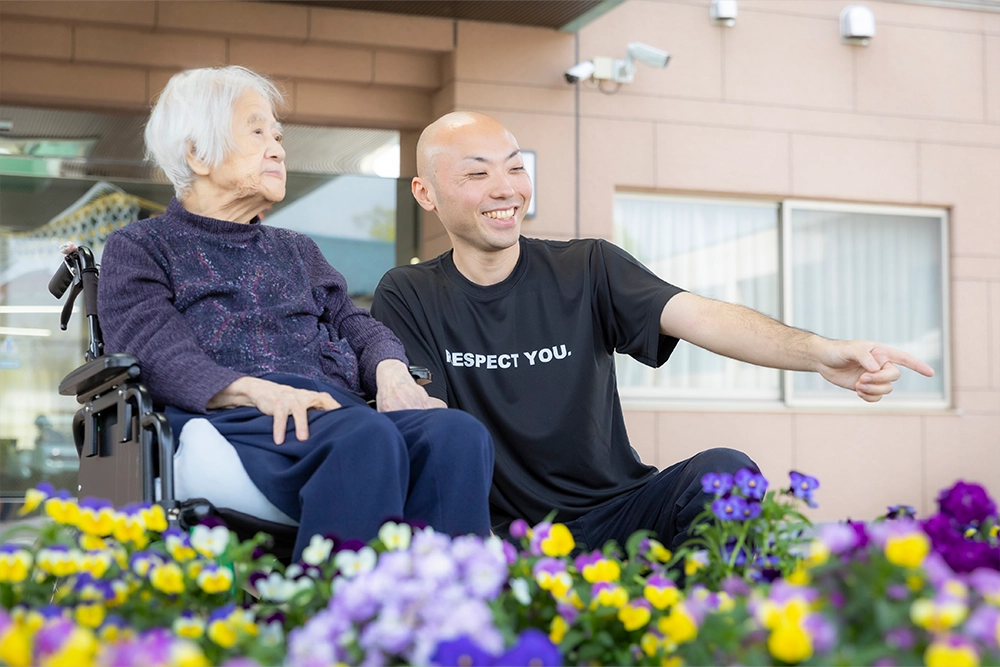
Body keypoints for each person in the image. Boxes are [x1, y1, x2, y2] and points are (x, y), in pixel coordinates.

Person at [371, 111, 935, 552]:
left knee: (724, 472)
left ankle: (708, 636)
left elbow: (702, 316)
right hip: (502, 540)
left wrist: (819, 354)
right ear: (426, 194)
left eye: (516, 167)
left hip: (617, 514)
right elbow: (429, 432)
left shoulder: (587, 267)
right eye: (477, 172)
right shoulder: (410, 292)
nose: (506, 188)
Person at [98, 67, 494, 562]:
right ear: (197, 153)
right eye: (257, 131)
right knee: (365, 438)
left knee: (456, 435)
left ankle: (451, 623)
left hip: (330, 415)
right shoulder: (142, 247)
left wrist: (391, 372)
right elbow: (155, 351)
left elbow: (355, 324)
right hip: (234, 419)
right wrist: (257, 390)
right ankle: (327, 627)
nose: (278, 148)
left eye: (278, 135)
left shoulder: (296, 251)